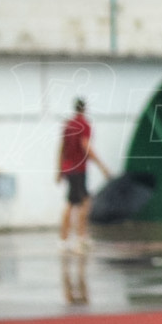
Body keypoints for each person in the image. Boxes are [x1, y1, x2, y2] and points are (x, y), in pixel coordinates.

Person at [57, 97, 110, 251]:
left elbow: (61, 147)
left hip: (69, 168)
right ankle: (70, 238)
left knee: (81, 201)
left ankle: (78, 236)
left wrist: (60, 169)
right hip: (78, 169)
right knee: (77, 203)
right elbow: (85, 145)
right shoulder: (84, 125)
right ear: (85, 109)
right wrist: (102, 165)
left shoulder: (68, 125)